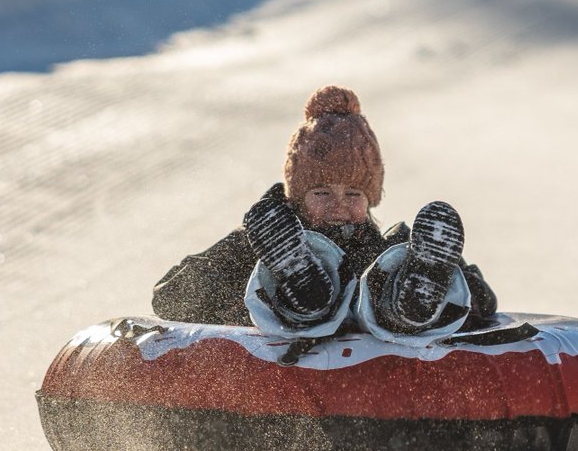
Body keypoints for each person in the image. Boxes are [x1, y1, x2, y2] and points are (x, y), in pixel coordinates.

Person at [152, 85, 497, 341]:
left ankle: (410, 307)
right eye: (321, 192)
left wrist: (453, 283)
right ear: (297, 197)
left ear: (372, 198)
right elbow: (169, 297)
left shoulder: (393, 248)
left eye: (353, 193)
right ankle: (298, 296)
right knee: (266, 287)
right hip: (284, 371)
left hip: (376, 363)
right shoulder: (258, 242)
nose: (339, 205)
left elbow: (484, 304)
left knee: (389, 275)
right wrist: (236, 296)